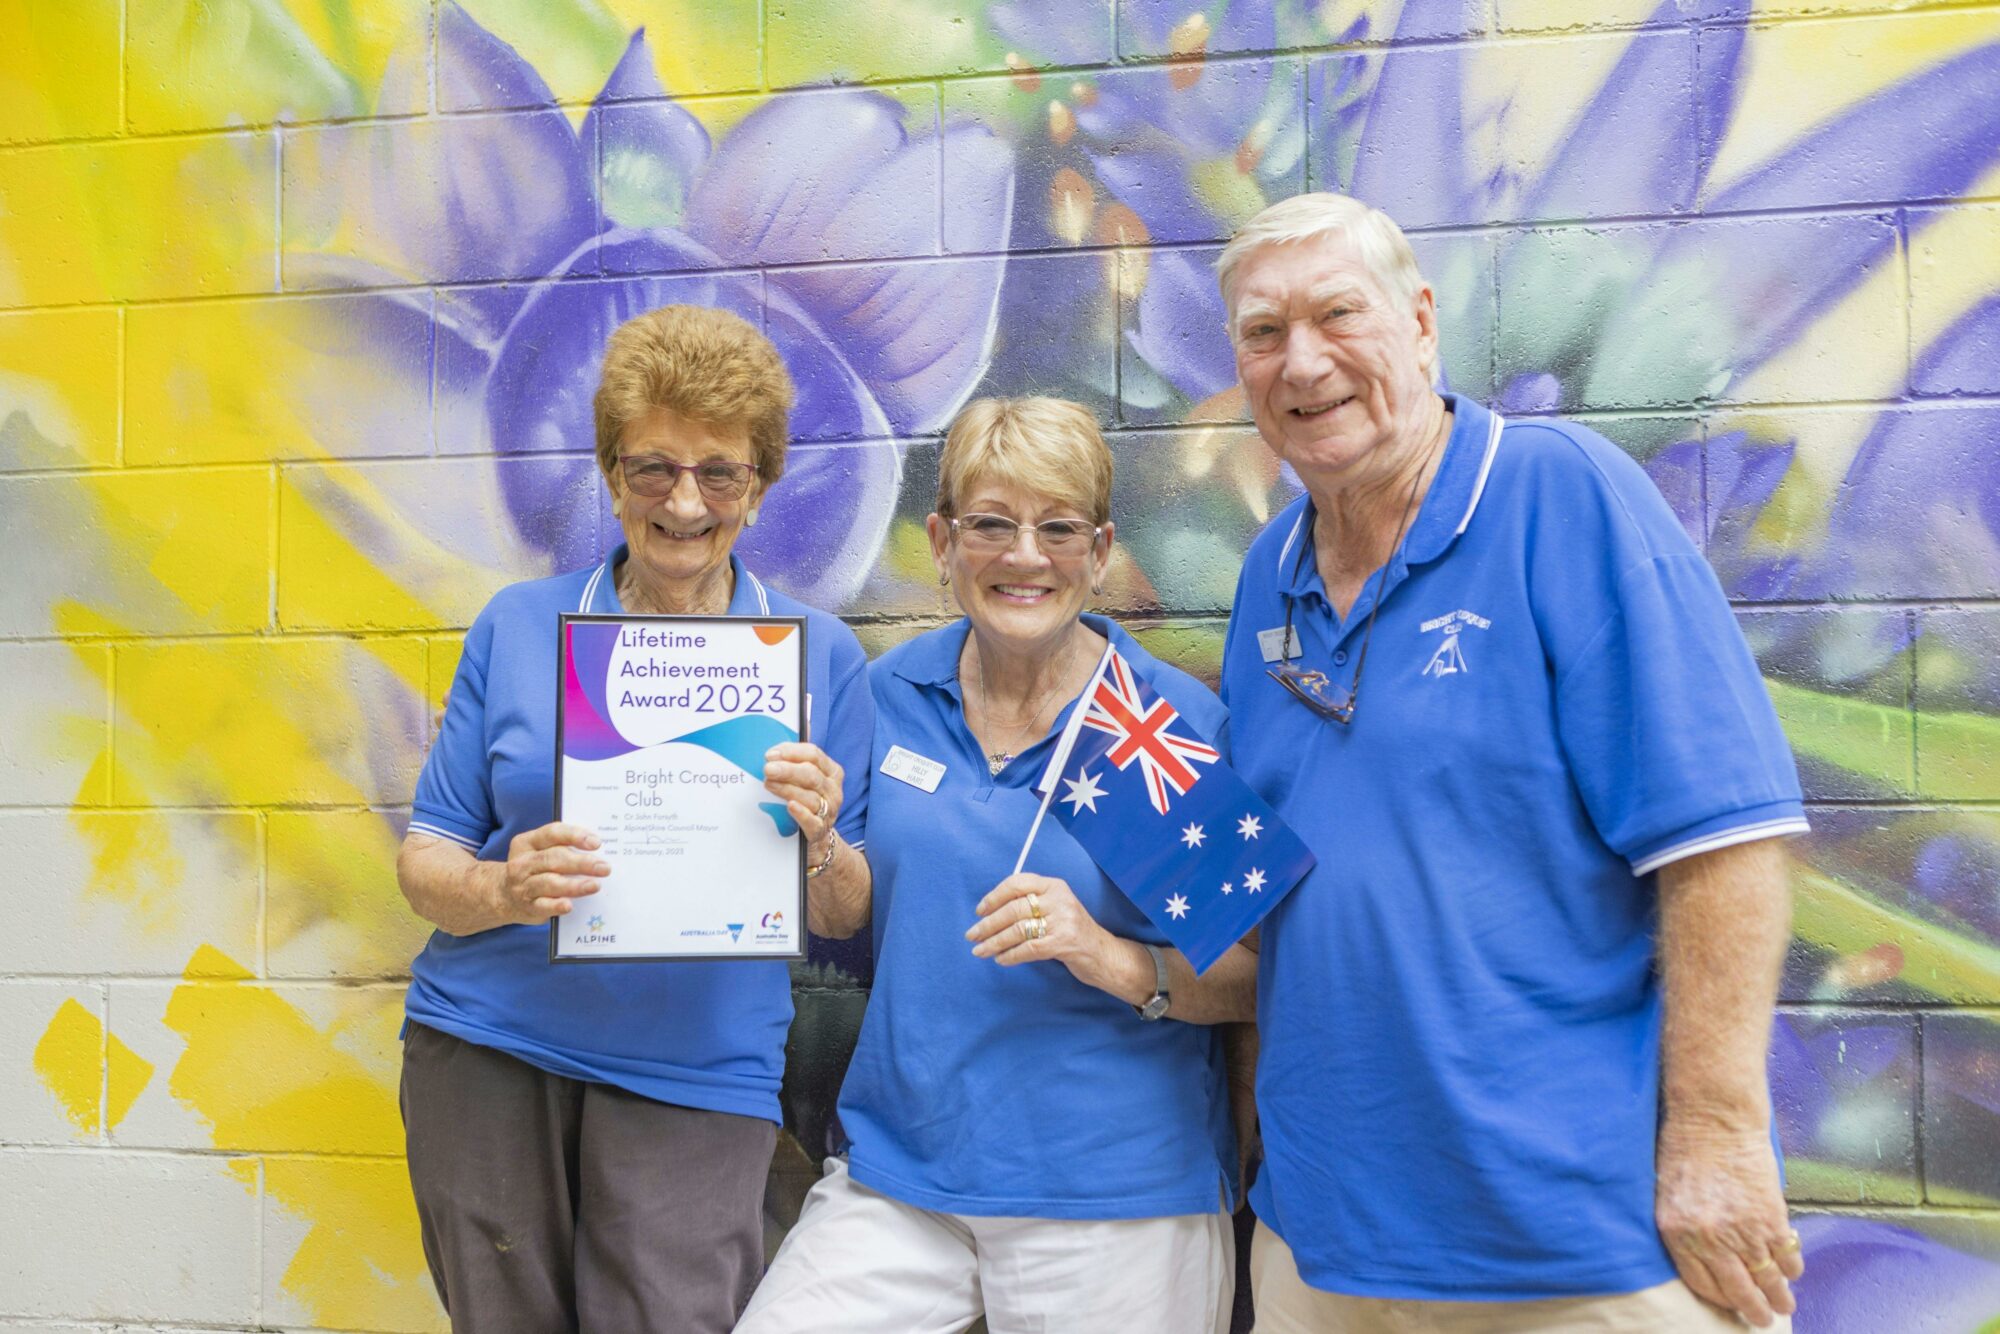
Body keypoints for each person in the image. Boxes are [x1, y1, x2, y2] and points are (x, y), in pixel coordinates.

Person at [1214, 194, 1810, 1333]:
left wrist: (1718, 1138)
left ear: (1421, 321)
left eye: (1338, 313)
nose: (1302, 361)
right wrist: (1107, 951)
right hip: (1322, 1240)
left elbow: (1725, 843)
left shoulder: (1559, 493)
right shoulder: (1265, 576)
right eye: (1260, 332)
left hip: (1578, 1242)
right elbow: (1267, 902)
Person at [393, 305, 873, 1333]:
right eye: (653, 467)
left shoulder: (817, 653)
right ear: (611, 474)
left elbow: (842, 912)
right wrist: (497, 884)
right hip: (488, 1048)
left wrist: (821, 837)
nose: (684, 500)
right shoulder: (520, 626)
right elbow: (426, 850)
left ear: (760, 483)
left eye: (720, 471)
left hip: (698, 1071)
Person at [734, 397, 1253, 1334]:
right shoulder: (889, 694)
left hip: (1114, 1197)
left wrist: (1104, 952)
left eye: (1057, 529)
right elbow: (849, 917)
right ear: (941, 540)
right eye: (991, 525)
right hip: (904, 1178)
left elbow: (1255, 980)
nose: (1024, 556)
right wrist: (815, 847)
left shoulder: (1152, 725)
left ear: (1098, 553)